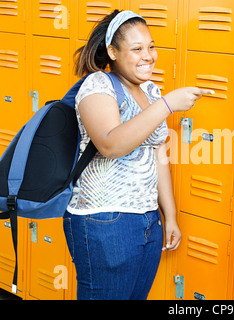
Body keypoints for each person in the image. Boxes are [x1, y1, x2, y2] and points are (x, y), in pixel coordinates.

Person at [63, 10, 213, 300]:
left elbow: (159, 155)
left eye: (151, 47)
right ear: (113, 52)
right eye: (137, 49)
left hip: (146, 220)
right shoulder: (98, 85)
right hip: (104, 221)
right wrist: (169, 104)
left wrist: (169, 216)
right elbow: (111, 144)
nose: (149, 56)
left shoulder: (150, 91)